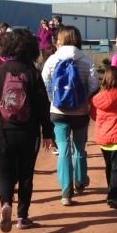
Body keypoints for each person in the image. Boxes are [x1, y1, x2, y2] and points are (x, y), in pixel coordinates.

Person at [0, 29, 54, 231]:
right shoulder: (32, 73)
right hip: (28, 132)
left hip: (2, 130)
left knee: (5, 173)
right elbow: (43, 105)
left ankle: (6, 204)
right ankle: (22, 217)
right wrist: (47, 132)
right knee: (25, 175)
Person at [41, 25, 99, 205]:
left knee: (64, 149)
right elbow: (94, 84)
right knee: (79, 148)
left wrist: (54, 99)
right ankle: (80, 181)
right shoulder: (86, 60)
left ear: (61, 39)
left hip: (58, 112)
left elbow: (45, 82)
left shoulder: (51, 60)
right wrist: (84, 100)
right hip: (80, 112)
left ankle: (66, 191)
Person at [90, 66, 117, 208]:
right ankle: (113, 194)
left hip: (103, 137)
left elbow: (94, 116)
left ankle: (111, 190)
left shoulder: (96, 97)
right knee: (116, 166)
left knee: (109, 165)